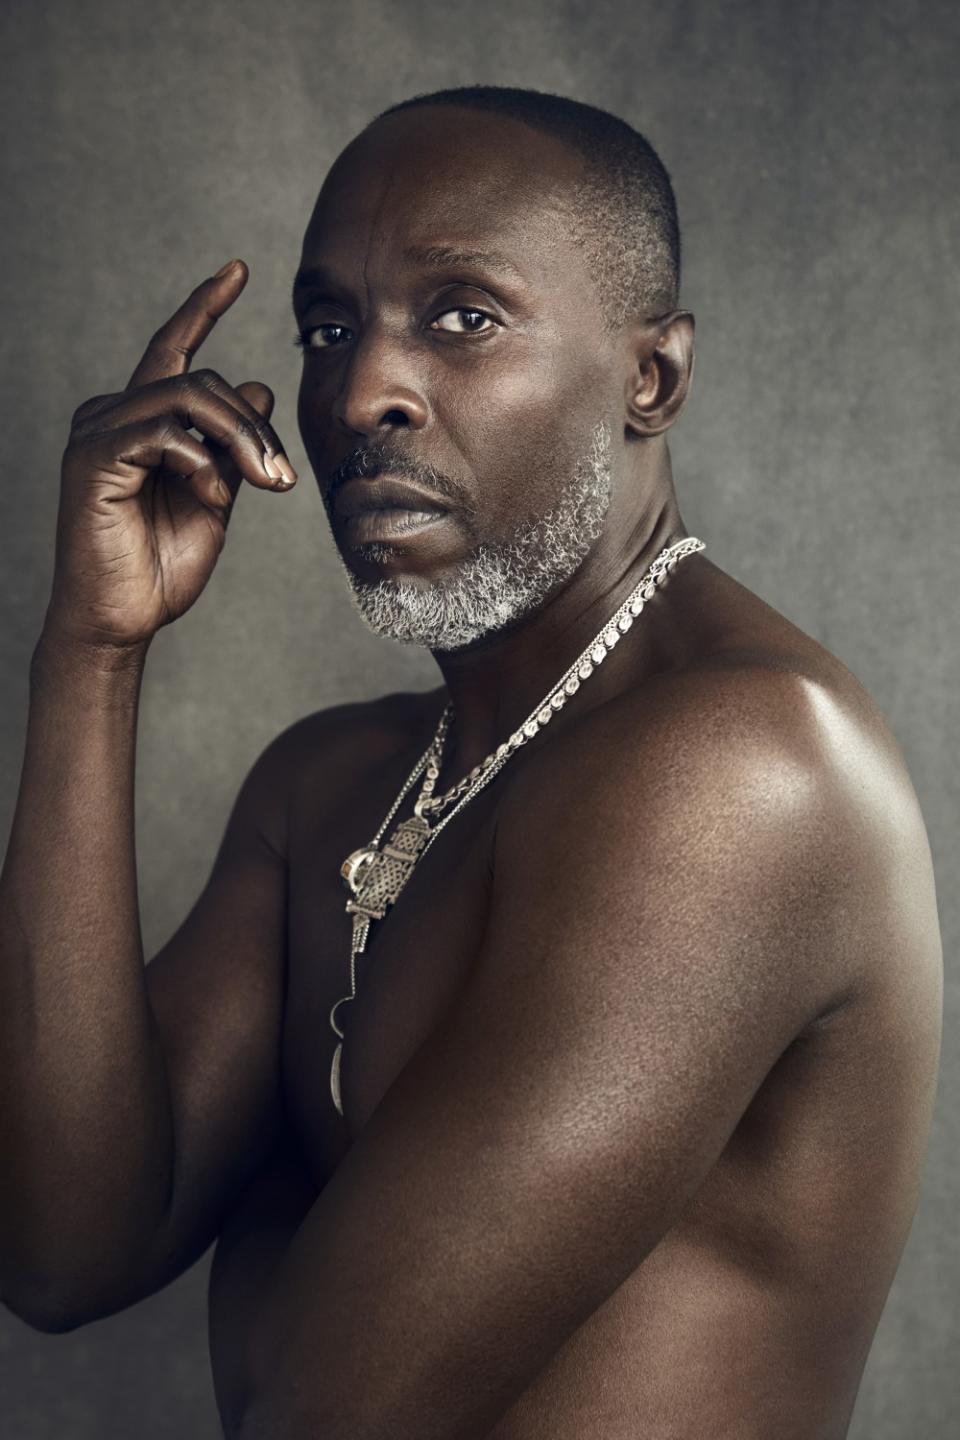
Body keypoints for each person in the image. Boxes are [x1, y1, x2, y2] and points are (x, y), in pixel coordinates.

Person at [0, 85, 942, 1440]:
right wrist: (90, 651)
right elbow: (59, 1253)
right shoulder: (327, 785)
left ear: (651, 379)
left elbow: (318, 1411)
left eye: (462, 316)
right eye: (330, 328)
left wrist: (262, 1223)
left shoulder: (747, 772)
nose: (362, 391)